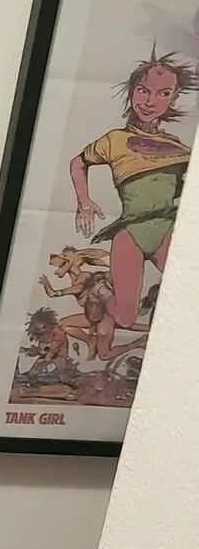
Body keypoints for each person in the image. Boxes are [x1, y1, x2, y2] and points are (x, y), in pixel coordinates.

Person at [69, 50, 197, 361]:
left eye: (162, 93)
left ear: (173, 98)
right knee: (125, 318)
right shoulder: (115, 140)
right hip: (132, 232)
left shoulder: (179, 146)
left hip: (167, 227)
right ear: (132, 91)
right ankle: (100, 289)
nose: (150, 101)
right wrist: (84, 201)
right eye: (143, 90)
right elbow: (78, 163)